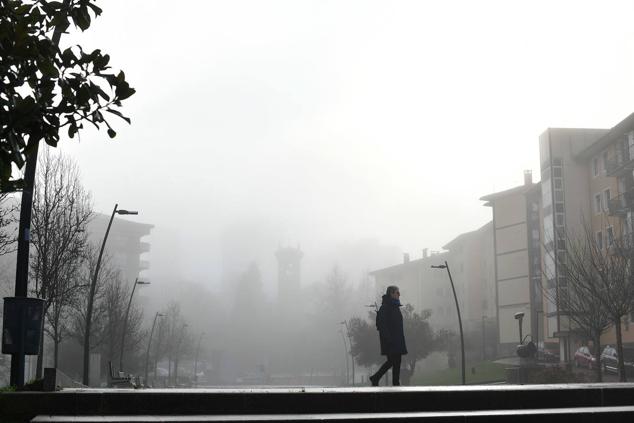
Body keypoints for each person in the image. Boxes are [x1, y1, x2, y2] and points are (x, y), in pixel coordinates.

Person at [369, 285, 407, 386]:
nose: (399, 295)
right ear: (391, 293)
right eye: (397, 293)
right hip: (390, 341)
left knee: (396, 361)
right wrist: (388, 339)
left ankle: (393, 382)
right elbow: (382, 324)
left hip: (397, 340)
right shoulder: (385, 307)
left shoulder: (395, 307)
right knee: (392, 361)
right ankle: (376, 378)